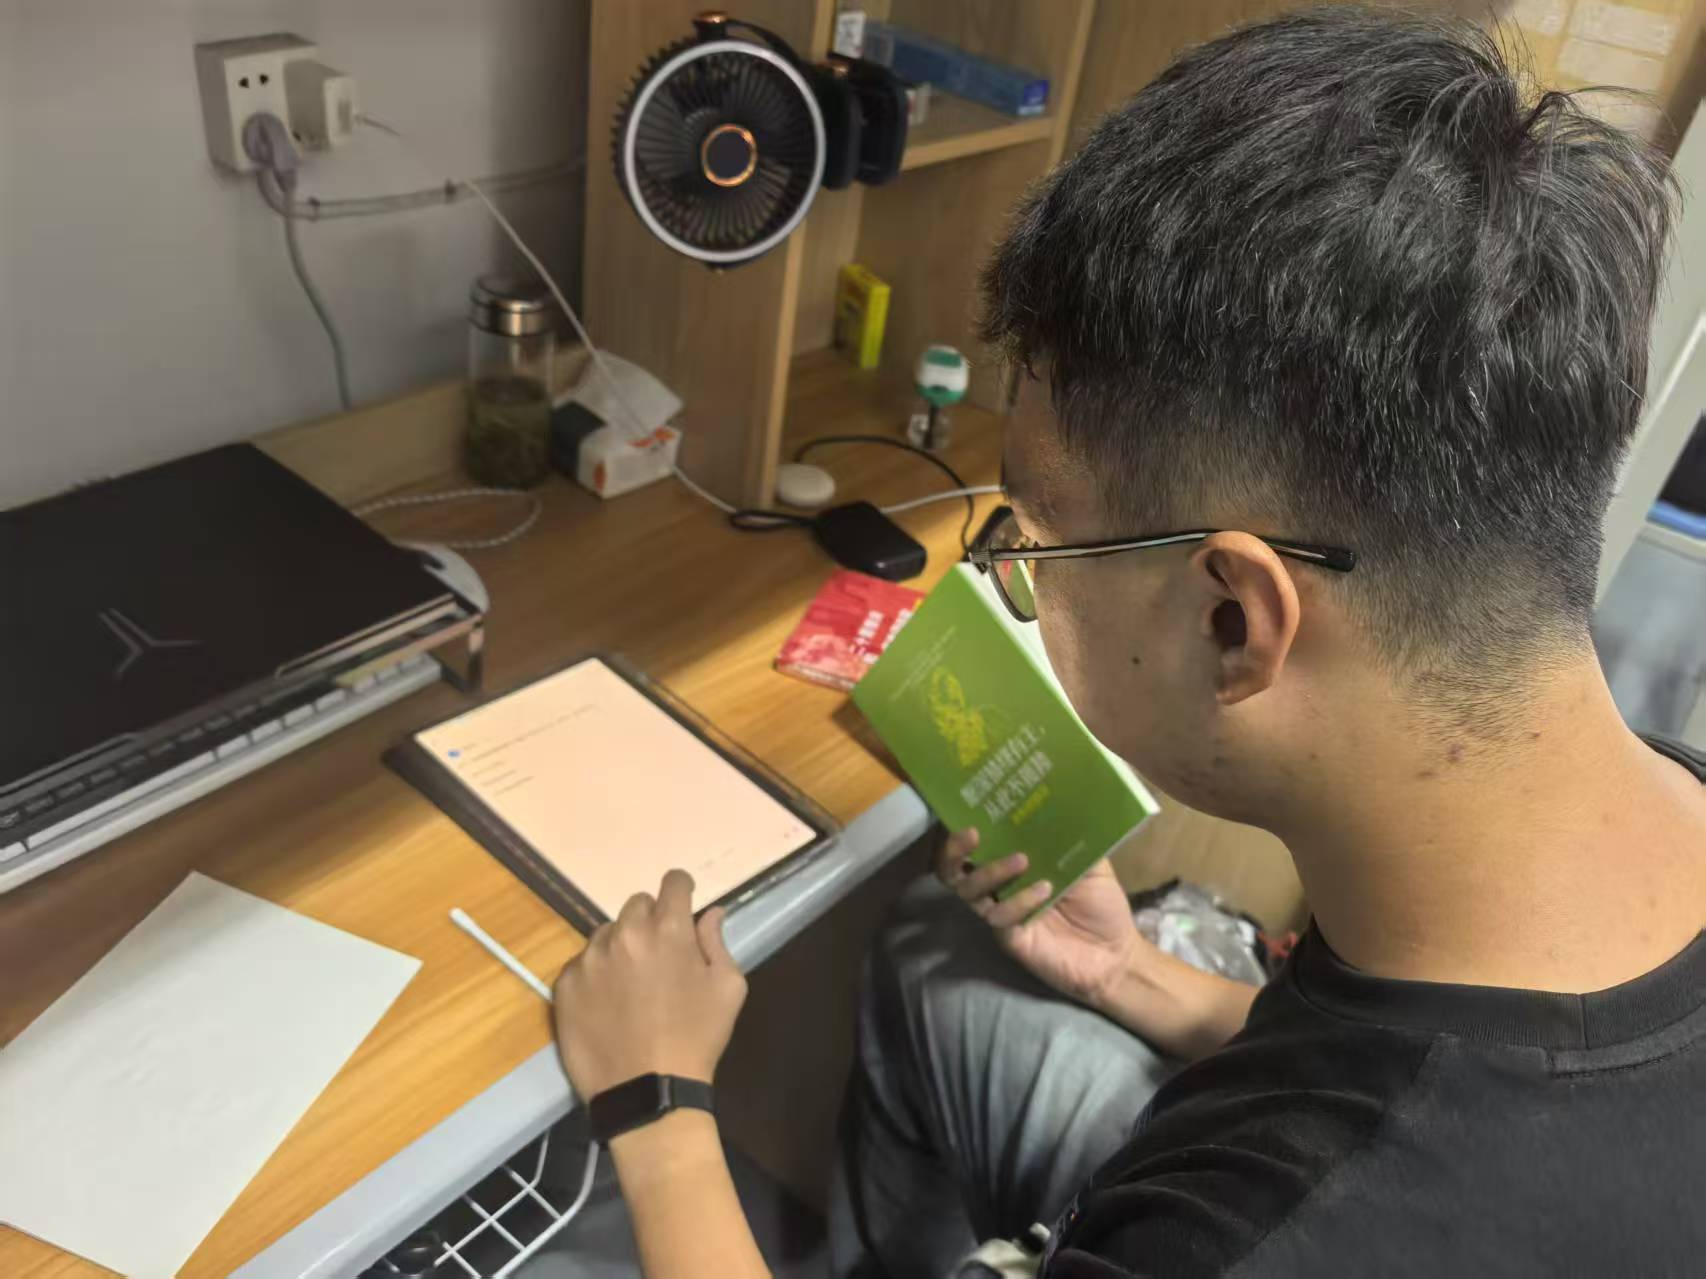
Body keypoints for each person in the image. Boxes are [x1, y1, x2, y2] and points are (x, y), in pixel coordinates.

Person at [549, 7, 1706, 1276]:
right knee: (932, 948)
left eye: (1030, 545)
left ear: (1233, 620)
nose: (1016, 581)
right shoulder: (1624, 831)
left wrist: (657, 1107)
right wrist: (1128, 974)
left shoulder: (1258, 1238)